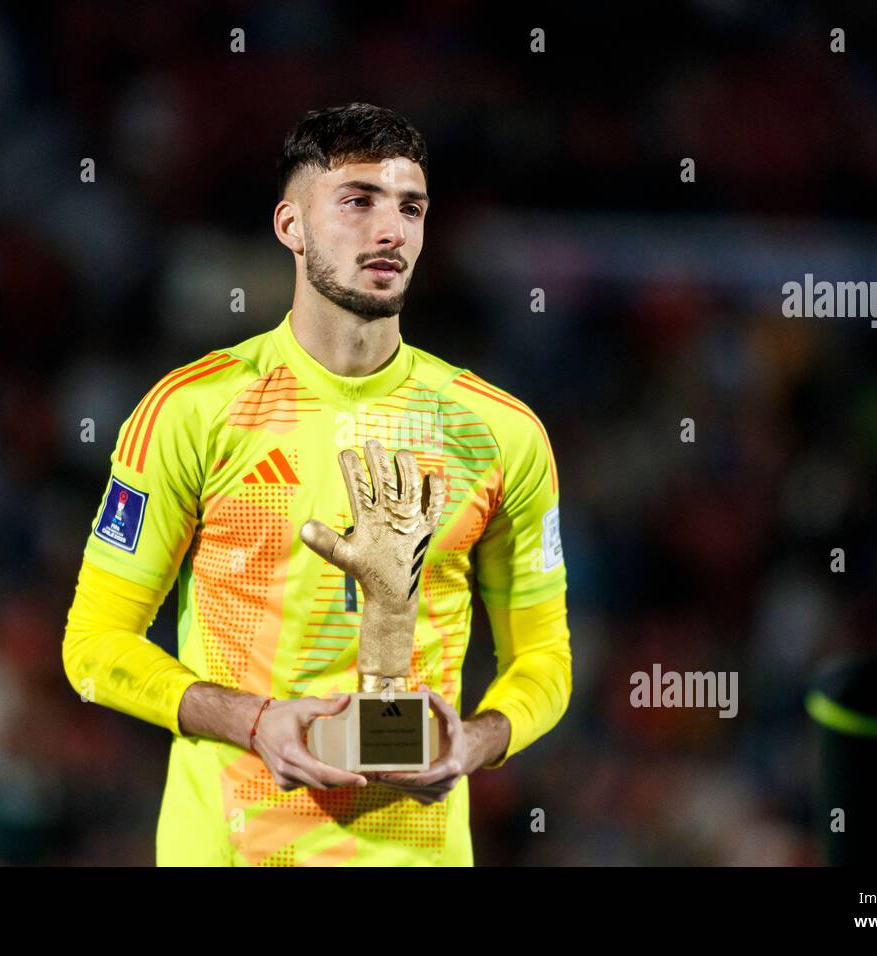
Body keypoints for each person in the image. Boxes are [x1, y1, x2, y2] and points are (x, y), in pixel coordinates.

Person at [62, 102, 571, 866]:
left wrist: (477, 740)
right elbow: (93, 647)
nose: (391, 231)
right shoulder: (194, 413)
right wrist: (254, 721)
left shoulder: (500, 434)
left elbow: (545, 661)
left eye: (411, 207)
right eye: (358, 201)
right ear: (290, 227)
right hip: (231, 848)